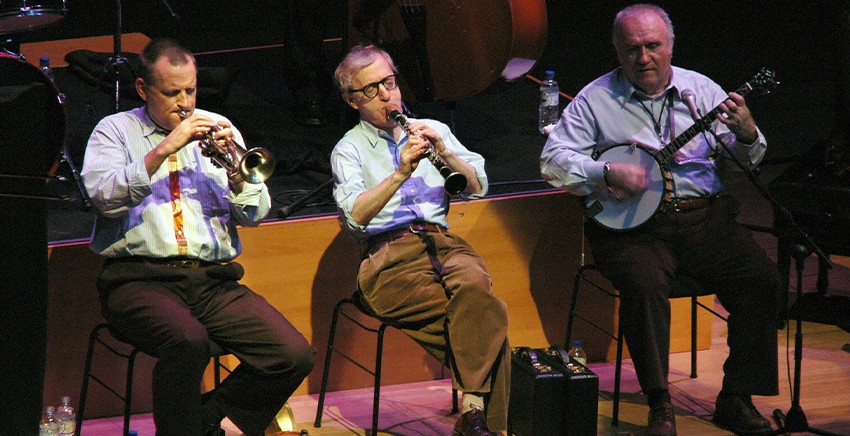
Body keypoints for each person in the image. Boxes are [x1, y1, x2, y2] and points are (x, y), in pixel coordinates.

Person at [540, 4, 780, 436]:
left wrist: (747, 132)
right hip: (633, 231)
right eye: (632, 49)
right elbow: (552, 161)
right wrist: (606, 171)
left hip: (704, 219)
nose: (644, 57)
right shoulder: (596, 99)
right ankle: (660, 404)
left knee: (762, 279)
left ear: (670, 46)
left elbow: (746, 161)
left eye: (653, 46)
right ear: (617, 51)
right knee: (645, 285)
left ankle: (736, 397)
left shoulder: (700, 90)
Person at [81, 37, 315, 436]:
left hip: (212, 282)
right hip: (138, 280)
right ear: (143, 89)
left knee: (292, 354)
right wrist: (166, 148)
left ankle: (200, 423)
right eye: (172, 93)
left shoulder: (218, 128)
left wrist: (238, 176)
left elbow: (256, 214)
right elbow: (104, 198)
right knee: (188, 341)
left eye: (190, 90)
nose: (185, 103)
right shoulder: (115, 132)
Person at [330, 44, 510, 435]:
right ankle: (480, 416)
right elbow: (354, 220)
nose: (386, 95)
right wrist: (399, 174)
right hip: (388, 256)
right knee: (485, 322)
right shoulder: (349, 149)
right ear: (351, 100)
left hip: (442, 241)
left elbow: (477, 186)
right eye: (371, 89)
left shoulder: (433, 129)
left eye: (389, 82)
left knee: (476, 290)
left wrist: (445, 151)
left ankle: (474, 415)